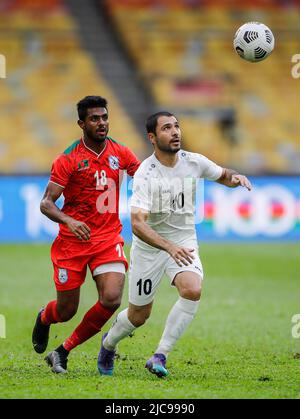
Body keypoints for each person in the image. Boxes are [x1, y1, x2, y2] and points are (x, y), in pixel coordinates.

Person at [97, 111, 252, 377]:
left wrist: (235, 179)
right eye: (167, 128)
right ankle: (109, 344)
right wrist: (167, 247)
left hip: (183, 240)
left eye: (177, 126)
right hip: (150, 248)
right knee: (138, 316)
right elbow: (137, 224)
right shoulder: (145, 174)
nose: (176, 132)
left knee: (192, 290)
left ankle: (160, 355)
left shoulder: (194, 162)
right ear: (152, 137)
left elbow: (223, 174)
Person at [32, 95, 140, 373]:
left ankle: (62, 351)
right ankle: (45, 318)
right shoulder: (68, 159)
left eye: (104, 117)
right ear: (81, 123)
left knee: (112, 298)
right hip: (73, 242)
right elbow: (46, 203)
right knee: (66, 311)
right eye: (94, 118)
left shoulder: (121, 153)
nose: (102, 123)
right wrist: (69, 221)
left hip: (107, 239)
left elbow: (144, 175)